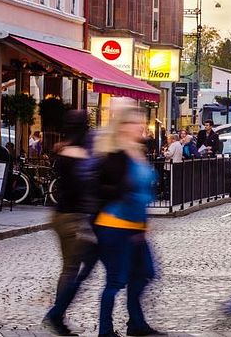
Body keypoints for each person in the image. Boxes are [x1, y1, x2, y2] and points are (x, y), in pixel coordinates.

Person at [92, 100, 163, 337]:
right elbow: (102, 189)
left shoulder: (138, 152)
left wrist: (143, 223)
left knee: (145, 272)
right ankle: (105, 330)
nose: (140, 127)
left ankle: (136, 323)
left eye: (142, 122)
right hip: (113, 225)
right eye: (134, 123)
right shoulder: (114, 155)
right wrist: (123, 193)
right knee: (116, 280)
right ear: (122, 126)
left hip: (135, 225)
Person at [42, 111, 99, 336]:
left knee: (71, 268)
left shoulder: (63, 151)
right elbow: (84, 189)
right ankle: (57, 314)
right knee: (73, 270)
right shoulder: (80, 154)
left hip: (60, 215)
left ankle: (58, 312)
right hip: (74, 218)